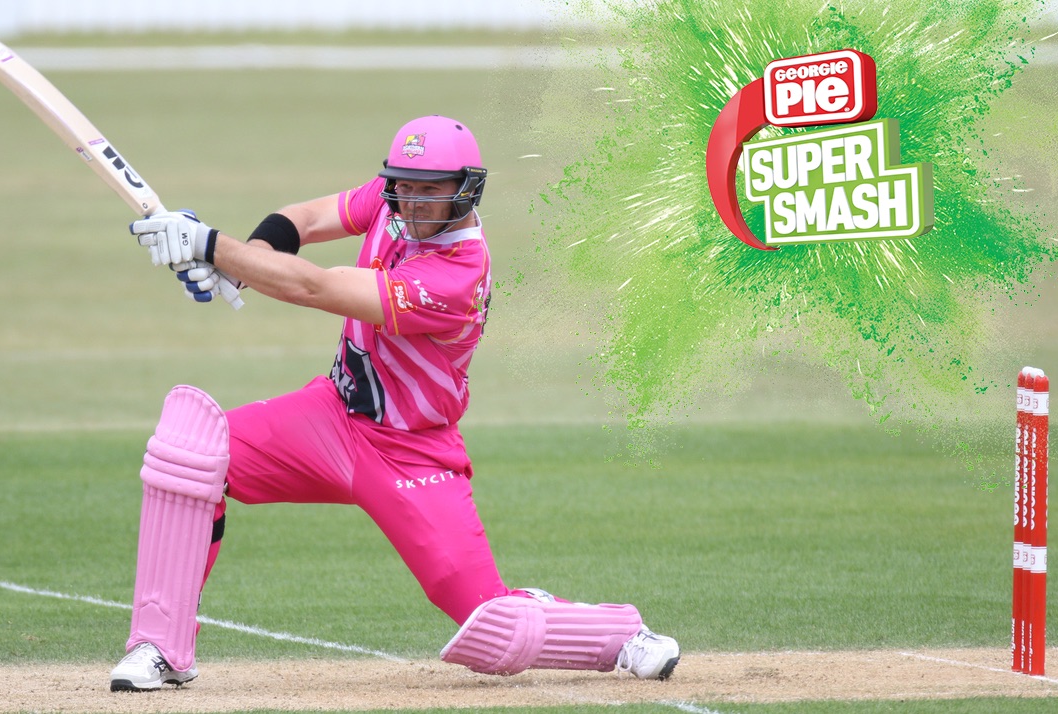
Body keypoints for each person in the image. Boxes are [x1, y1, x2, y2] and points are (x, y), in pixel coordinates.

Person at [108, 115, 680, 692]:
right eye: (404, 186)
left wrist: (211, 246)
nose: (412, 201)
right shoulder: (393, 201)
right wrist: (245, 263)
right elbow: (305, 219)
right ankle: (160, 646)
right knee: (191, 452)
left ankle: (619, 634)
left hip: (412, 452)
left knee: (493, 627)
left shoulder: (457, 274)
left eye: (430, 189)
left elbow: (315, 287)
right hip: (331, 418)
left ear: (466, 189)